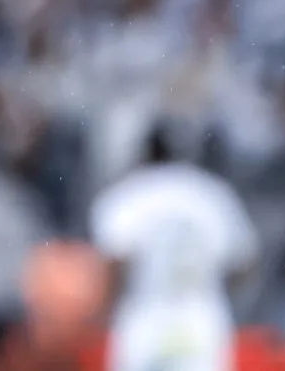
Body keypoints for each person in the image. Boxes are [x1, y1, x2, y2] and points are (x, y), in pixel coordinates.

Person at [89, 123, 258, 371]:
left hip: (145, 314)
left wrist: (104, 311)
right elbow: (244, 263)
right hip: (201, 316)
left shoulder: (128, 196)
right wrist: (213, 286)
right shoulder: (213, 194)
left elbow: (115, 261)